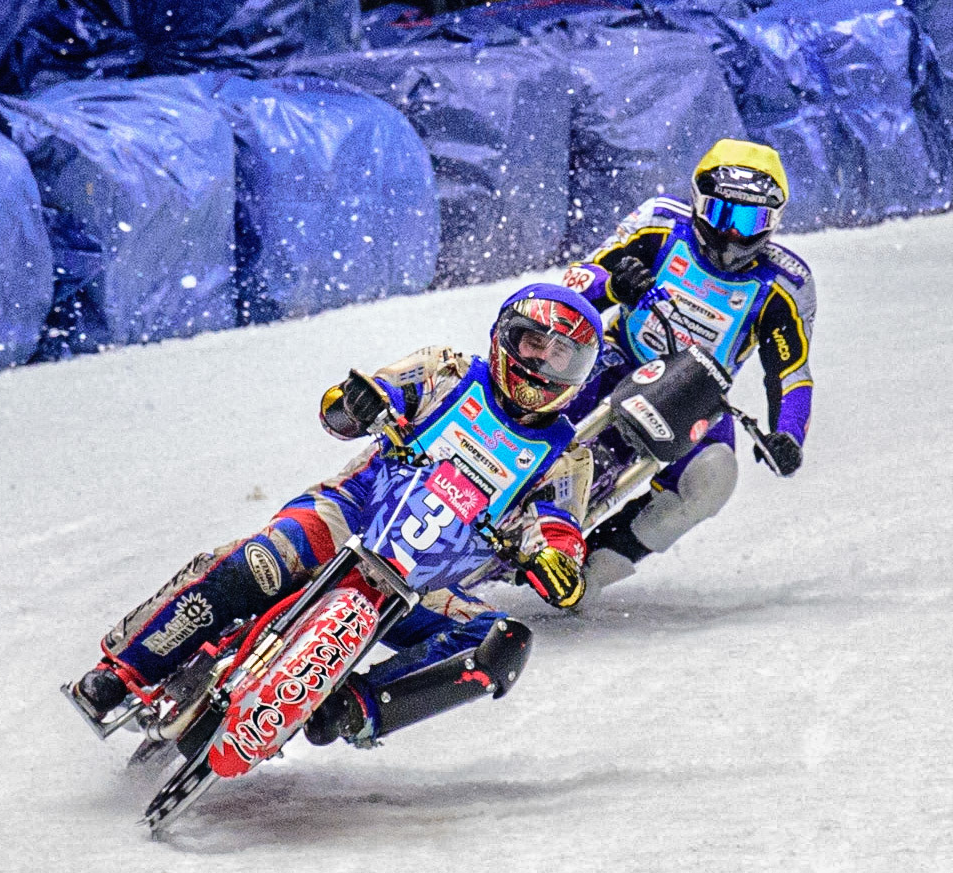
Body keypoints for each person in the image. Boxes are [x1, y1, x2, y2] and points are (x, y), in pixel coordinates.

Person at [67, 283, 603, 747]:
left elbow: (560, 530)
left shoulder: (568, 455)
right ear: (505, 336)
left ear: (579, 374)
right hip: (349, 514)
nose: (540, 365)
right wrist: (361, 403)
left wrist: (554, 563)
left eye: (561, 357)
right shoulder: (447, 370)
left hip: (426, 583)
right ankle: (122, 672)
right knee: (258, 561)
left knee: (501, 640)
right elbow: (353, 402)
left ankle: (356, 707)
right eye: (534, 344)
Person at [557, 138, 816, 591]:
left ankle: (596, 568)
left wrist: (788, 435)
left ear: (773, 222)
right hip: (618, 360)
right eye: (722, 215)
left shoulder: (786, 285)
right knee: (551, 379)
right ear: (697, 203)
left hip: (695, 397)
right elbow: (576, 284)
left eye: (750, 220)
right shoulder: (658, 222)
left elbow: (790, 373)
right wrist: (616, 285)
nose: (734, 235)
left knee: (714, 477)